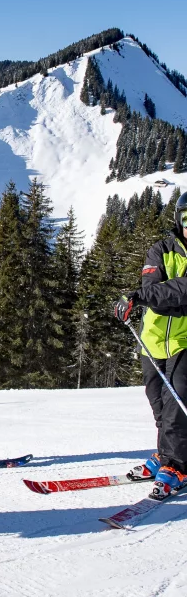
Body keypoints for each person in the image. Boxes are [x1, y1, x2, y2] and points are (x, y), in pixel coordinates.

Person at [114, 191, 187, 499]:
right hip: (152, 342)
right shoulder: (161, 250)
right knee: (158, 406)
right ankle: (165, 453)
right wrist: (144, 298)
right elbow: (152, 288)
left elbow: (177, 291)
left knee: (176, 407)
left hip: (183, 343)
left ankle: (178, 465)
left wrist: (150, 297)